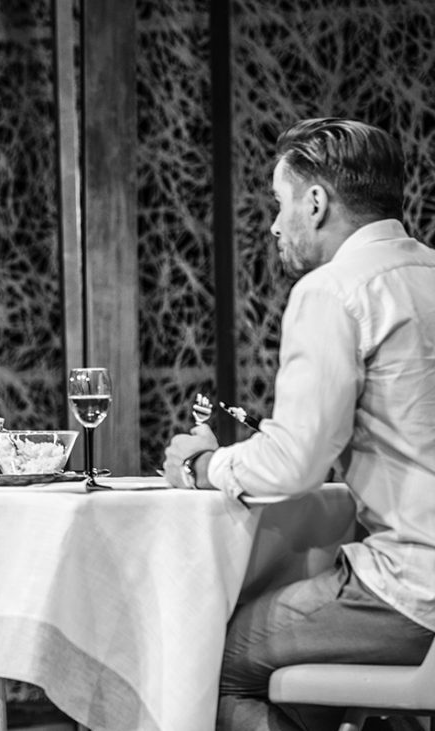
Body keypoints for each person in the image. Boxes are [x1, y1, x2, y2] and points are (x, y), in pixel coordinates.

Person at [163, 118, 435, 730]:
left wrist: (203, 465)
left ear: (315, 202)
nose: (274, 225)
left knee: (201, 667)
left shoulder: (334, 291)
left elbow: (296, 463)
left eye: (279, 203)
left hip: (410, 590)